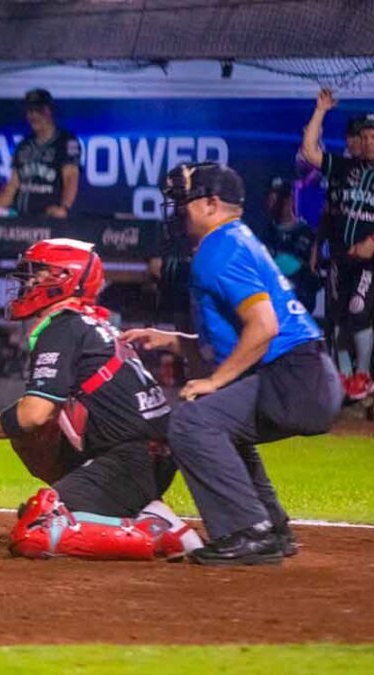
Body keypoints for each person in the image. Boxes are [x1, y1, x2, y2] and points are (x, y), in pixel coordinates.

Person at [122, 162, 341, 566]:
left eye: (184, 201)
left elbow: (264, 326)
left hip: (292, 377)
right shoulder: (234, 239)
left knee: (191, 421)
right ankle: (270, 529)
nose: (178, 211)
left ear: (211, 203)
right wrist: (173, 341)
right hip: (304, 372)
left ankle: (247, 531)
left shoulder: (218, 248)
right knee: (217, 421)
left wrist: (215, 381)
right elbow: (241, 336)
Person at [0, 238, 200, 561]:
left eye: (38, 273)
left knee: (36, 530)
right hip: (149, 456)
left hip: (129, 461)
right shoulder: (90, 323)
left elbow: (33, 414)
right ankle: (135, 510)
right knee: (32, 436)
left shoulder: (63, 327)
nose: (29, 283)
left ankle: (156, 532)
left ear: (65, 278)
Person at [301, 92, 374, 401]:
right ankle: (344, 377)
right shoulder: (345, 168)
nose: (368, 143)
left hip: (368, 262)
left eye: (373, 138)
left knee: (358, 310)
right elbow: (309, 153)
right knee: (338, 317)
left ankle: (364, 373)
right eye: (365, 137)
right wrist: (320, 111)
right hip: (341, 257)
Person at [0, 88, 81, 218]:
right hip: (20, 219)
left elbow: (71, 177)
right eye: (30, 111)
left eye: (39, 111)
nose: (34, 116)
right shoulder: (24, 144)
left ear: (50, 111)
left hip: (49, 219)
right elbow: (12, 186)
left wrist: (64, 208)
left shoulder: (66, 142)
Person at [263, 177, 318, 314]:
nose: (272, 203)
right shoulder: (266, 233)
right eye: (270, 198)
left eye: (277, 198)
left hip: (297, 305)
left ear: (289, 200)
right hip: (271, 306)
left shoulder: (305, 233)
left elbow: (297, 267)